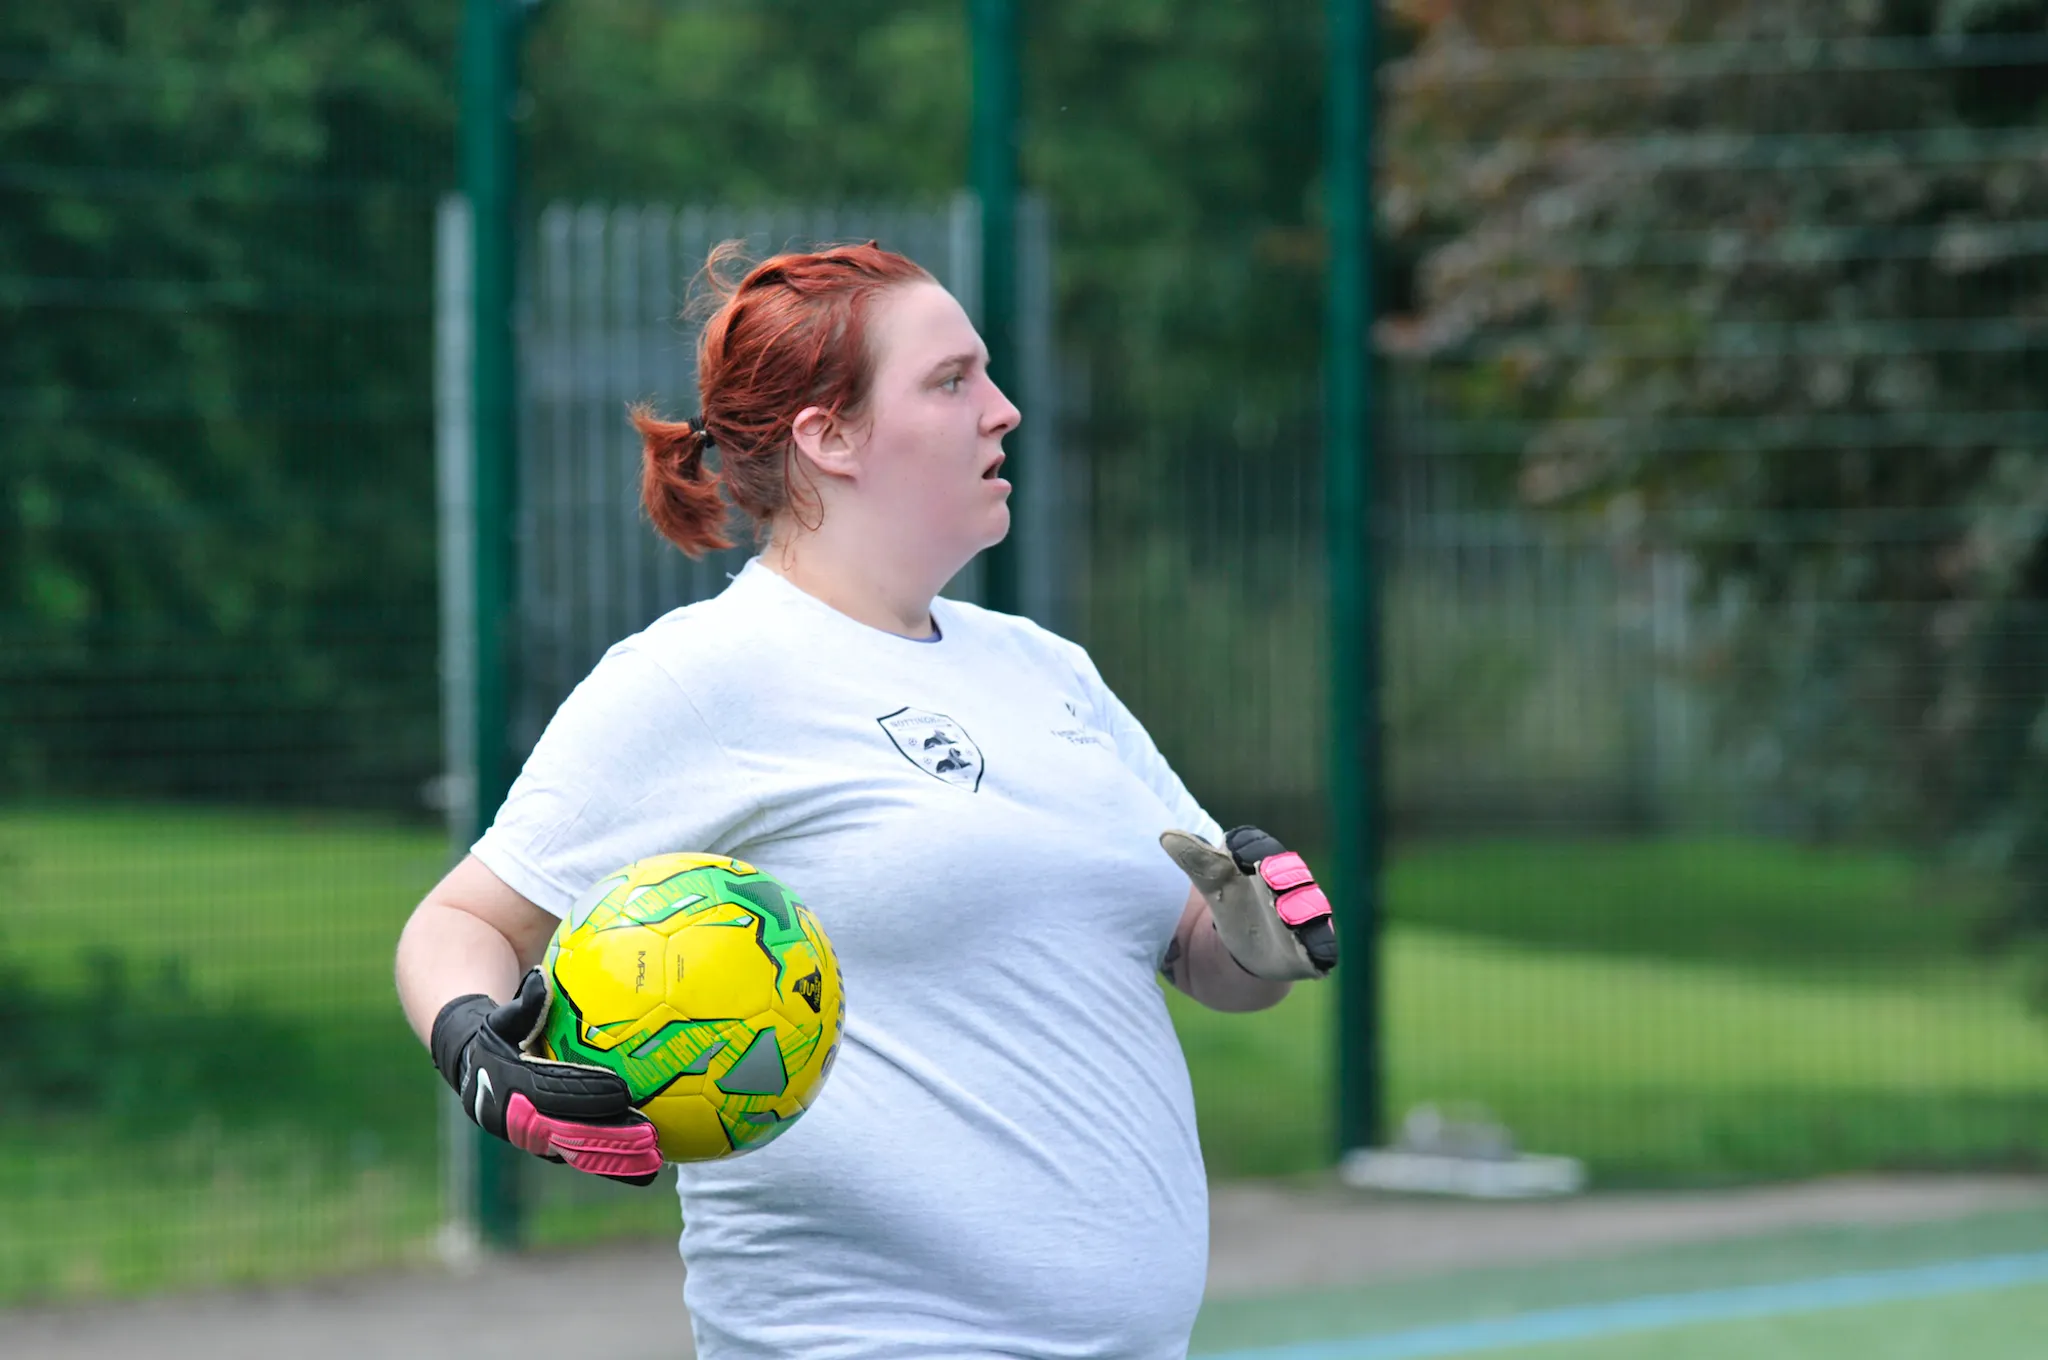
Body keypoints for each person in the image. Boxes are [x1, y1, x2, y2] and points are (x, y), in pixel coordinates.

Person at [393, 240, 1339, 1359]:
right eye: (951, 381)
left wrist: (1252, 940)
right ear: (828, 437)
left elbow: (1196, 951)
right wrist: (480, 1048)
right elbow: (460, 922)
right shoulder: (706, 674)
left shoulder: (1047, 670)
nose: (1003, 410)